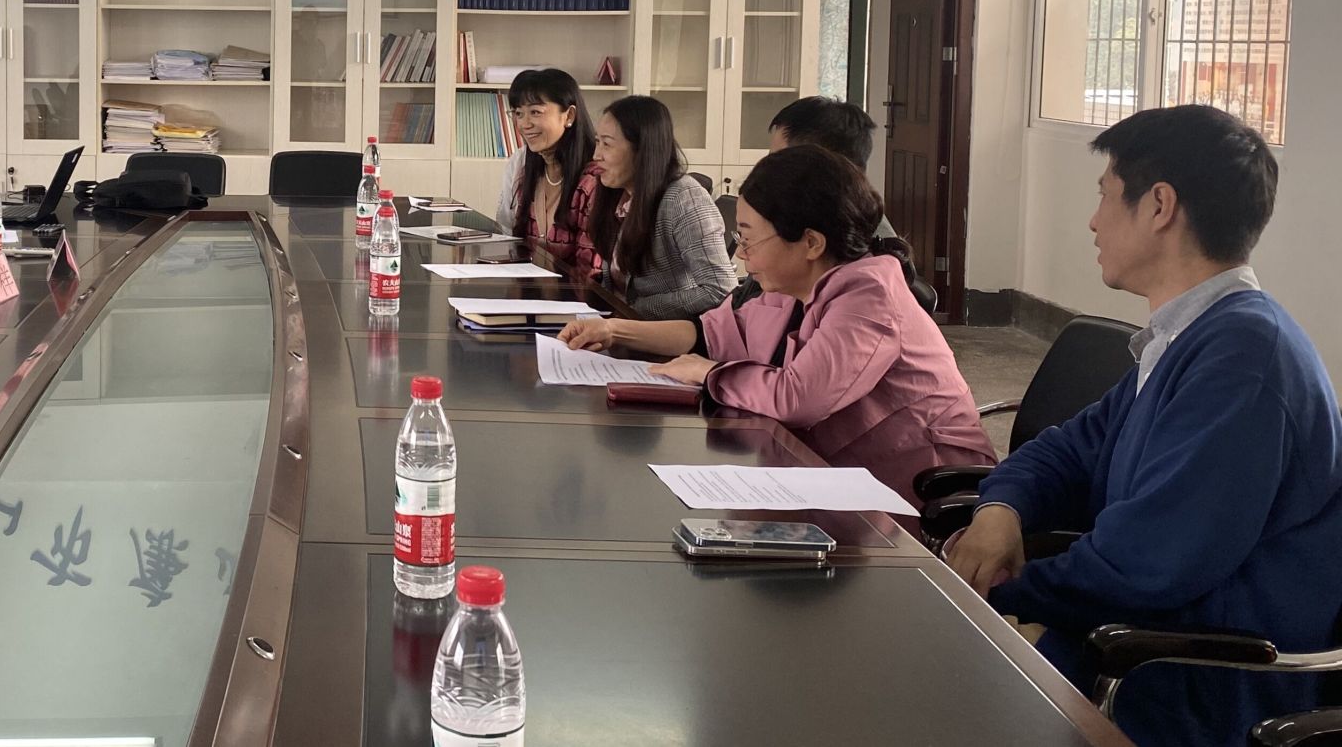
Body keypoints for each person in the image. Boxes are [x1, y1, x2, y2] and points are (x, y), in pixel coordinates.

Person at [946, 106, 1342, 747]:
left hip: (1193, 685)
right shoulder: (1188, 337)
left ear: (1159, 206)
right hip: (1138, 652)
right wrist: (1001, 510)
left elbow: (1145, 566)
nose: (1093, 220)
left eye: (1105, 196)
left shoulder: (1243, 357)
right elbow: (1067, 450)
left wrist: (1000, 588)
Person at [558, 144, 992, 495]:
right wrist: (613, 330)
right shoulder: (792, 286)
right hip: (833, 470)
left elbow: (799, 398)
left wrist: (710, 374)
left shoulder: (869, 294)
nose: (742, 256)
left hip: (919, 486)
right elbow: (708, 334)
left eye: (748, 240)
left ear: (811, 243)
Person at [755, 95, 938, 312]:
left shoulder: (858, 253)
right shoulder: (810, 218)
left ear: (822, 166)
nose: (769, 170)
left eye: (779, 160)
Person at [575, 95, 733, 318]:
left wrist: (634, 309)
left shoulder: (684, 198)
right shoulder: (617, 194)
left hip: (659, 331)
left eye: (607, 144)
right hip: (618, 324)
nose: (596, 155)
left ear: (643, 149)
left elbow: (720, 289)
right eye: (597, 142)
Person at [492, 68, 602, 274]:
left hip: (577, 292)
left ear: (569, 115)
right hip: (529, 287)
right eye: (518, 113)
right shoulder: (522, 166)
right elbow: (507, 236)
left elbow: (590, 271)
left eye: (535, 112)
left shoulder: (594, 179)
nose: (524, 124)